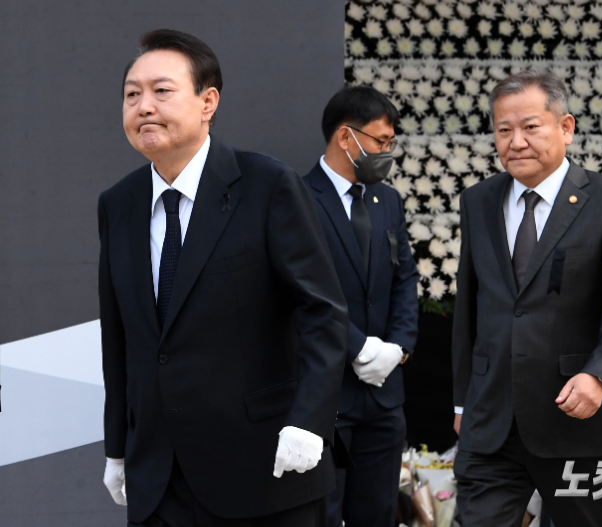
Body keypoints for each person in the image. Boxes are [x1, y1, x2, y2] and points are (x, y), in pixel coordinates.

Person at [99, 29, 349, 527]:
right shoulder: (118, 204)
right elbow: (120, 335)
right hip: (158, 477)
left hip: (263, 469)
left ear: (208, 101)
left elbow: (323, 310)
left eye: (161, 91)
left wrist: (309, 421)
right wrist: (117, 448)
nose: (144, 106)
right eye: (132, 94)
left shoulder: (267, 185)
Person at [451, 70, 602, 527]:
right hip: (492, 421)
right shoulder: (478, 201)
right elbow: (471, 307)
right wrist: (463, 400)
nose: (515, 141)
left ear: (566, 128)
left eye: (530, 126)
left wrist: (599, 375)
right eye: (504, 130)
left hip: (576, 419)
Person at [303, 85, 419, 527]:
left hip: (384, 395)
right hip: (327, 393)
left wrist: (398, 347)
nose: (387, 152)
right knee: (323, 515)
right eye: (380, 141)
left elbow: (404, 278)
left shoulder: (386, 200)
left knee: (378, 512)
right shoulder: (297, 197)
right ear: (346, 137)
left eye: (391, 143)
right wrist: (358, 348)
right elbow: (303, 292)